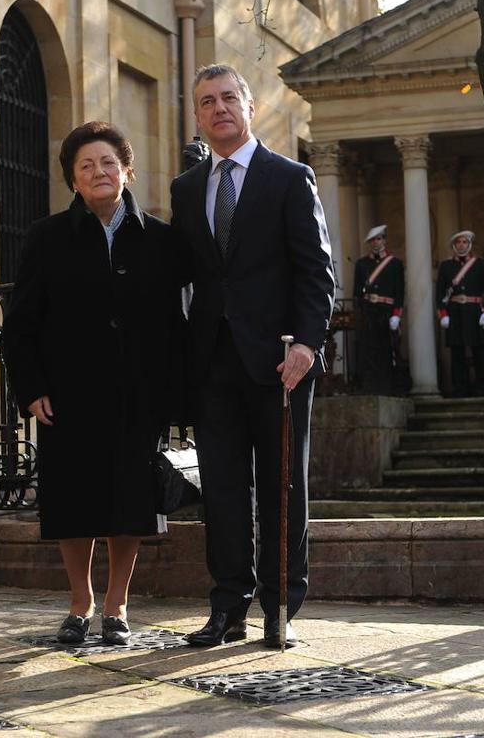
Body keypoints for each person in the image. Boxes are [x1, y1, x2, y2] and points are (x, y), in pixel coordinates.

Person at [2, 121, 187, 647]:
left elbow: (175, 322)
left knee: (131, 501)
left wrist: (174, 393)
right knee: (74, 498)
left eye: (108, 163)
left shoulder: (162, 239)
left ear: (127, 170)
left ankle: (118, 605)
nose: (99, 172)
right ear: (73, 181)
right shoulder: (47, 237)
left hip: (138, 392)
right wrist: (31, 385)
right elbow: (22, 322)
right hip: (67, 393)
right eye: (86, 166)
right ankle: (80, 603)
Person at [170, 63, 334, 649]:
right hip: (213, 364)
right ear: (197, 114)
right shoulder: (187, 189)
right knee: (222, 489)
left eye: (228, 98)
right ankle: (228, 605)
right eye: (206, 101)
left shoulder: (289, 177)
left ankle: (280, 607)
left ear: (250, 105)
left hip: (280, 362)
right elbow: (181, 272)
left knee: (284, 487)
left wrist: (309, 345)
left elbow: (317, 269)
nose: (218, 109)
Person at [436, 230, 484, 397]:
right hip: (455, 312)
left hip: (475, 312)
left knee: (479, 351)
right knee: (457, 353)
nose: (461, 245)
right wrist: (443, 314)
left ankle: (482, 387)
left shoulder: (480, 264)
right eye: (458, 242)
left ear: (470, 245)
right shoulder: (446, 266)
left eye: (464, 242)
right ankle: (460, 388)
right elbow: (440, 292)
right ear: (454, 246)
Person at [351, 225, 404, 394]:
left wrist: (396, 315)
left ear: (384, 240)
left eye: (379, 239)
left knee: (386, 351)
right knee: (368, 350)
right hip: (369, 312)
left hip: (386, 312)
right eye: (373, 240)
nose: (376, 242)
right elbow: (357, 292)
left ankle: (387, 387)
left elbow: (400, 292)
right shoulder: (361, 264)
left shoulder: (395, 264)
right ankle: (370, 386)